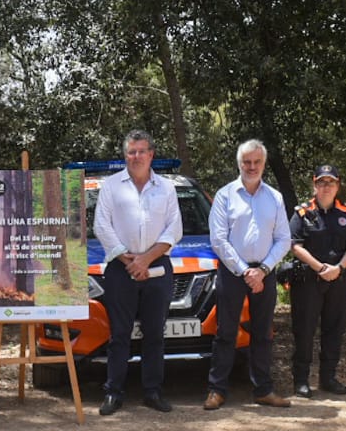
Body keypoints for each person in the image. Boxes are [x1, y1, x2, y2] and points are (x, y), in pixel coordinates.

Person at [93, 129, 184, 415]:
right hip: (121, 268)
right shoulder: (111, 186)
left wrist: (145, 259)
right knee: (119, 334)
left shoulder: (166, 188)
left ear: (151, 154)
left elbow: (174, 229)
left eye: (141, 151)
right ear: (125, 155)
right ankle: (113, 392)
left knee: (154, 334)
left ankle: (152, 392)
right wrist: (128, 258)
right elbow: (101, 226)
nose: (136, 156)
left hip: (157, 266)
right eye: (131, 152)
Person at [205, 139, 292, 411]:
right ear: (239, 164)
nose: (252, 167)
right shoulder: (224, 196)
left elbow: (284, 239)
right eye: (247, 162)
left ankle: (263, 390)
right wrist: (245, 271)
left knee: (263, 333)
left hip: (265, 272)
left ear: (264, 164)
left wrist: (263, 270)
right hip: (233, 272)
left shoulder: (275, 197)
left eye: (257, 162)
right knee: (226, 332)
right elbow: (218, 240)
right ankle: (217, 390)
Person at [289, 164, 346, 398]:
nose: (326, 186)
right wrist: (320, 268)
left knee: (334, 329)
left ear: (338, 185)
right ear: (314, 185)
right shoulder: (302, 212)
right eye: (321, 182)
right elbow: (295, 245)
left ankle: (328, 378)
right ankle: (301, 380)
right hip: (309, 280)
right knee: (304, 329)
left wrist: (338, 268)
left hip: (339, 279)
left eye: (331, 182)